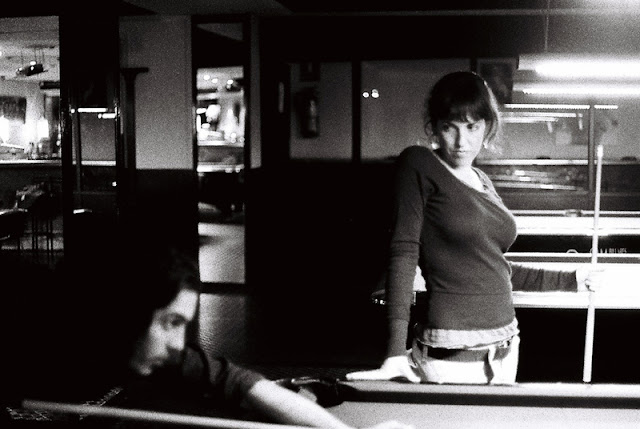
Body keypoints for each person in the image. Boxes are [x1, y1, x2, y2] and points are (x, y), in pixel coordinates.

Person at [346, 71, 602, 385]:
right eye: (449, 127)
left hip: (505, 349)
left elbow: (494, 268)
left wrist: (572, 279)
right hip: (451, 355)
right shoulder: (418, 164)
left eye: (472, 127)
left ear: (487, 127)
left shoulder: (483, 181)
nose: (461, 142)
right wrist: (395, 352)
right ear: (434, 127)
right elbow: (403, 253)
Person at [4, 236, 411, 429]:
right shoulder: (30, 346)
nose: (178, 344)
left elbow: (243, 384)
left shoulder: (162, 353)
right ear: (127, 312)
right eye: (171, 323)